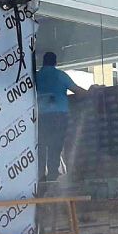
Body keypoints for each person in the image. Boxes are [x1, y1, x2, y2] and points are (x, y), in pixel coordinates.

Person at [35, 52, 87, 182]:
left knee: (41, 146)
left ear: (43, 62)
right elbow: (77, 91)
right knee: (55, 145)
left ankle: (40, 176)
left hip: (40, 116)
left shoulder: (36, 76)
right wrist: (92, 92)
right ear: (55, 62)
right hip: (58, 116)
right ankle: (53, 174)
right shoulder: (60, 75)